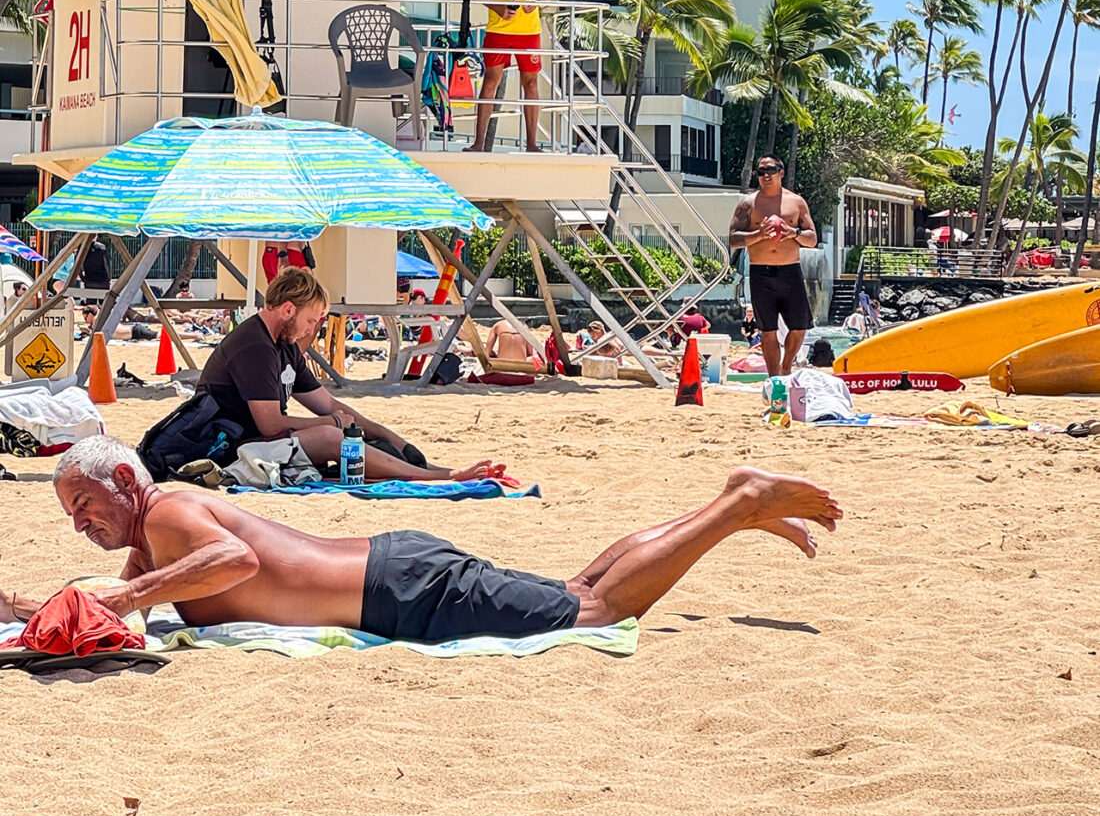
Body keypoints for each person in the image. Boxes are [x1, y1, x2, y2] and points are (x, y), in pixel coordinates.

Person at [8, 437, 842, 642]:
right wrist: (21, 608)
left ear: (123, 481)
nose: (82, 523)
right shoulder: (155, 535)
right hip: (397, 571)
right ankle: (727, 507)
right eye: (71, 516)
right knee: (578, 588)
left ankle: (736, 507)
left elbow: (238, 562)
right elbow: (108, 612)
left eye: (85, 504)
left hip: (402, 591)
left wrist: (124, 593)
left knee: (597, 611)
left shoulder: (164, 514)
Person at [189, 267, 497, 480]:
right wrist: (330, 423)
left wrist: (386, 434)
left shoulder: (283, 346)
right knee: (329, 436)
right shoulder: (254, 346)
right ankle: (435, 477)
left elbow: (330, 405)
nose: (312, 331)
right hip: (226, 447)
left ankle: (425, 468)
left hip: (255, 442)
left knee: (341, 433)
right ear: (287, 310)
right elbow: (270, 424)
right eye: (310, 321)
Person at [467, 0, 556, 154]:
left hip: (528, 31)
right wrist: (497, 9)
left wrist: (537, 1)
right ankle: (478, 143)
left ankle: (531, 144)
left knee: (531, 83)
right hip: (498, 29)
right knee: (490, 81)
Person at [729, 157, 817, 375]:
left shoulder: (796, 202)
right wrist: (758, 234)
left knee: (800, 326)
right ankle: (773, 377)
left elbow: (812, 238)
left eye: (770, 170)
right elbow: (733, 239)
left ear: (781, 172)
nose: (765, 175)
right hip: (761, 272)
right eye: (761, 171)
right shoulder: (748, 204)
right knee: (768, 330)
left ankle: (786, 366)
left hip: (790, 270)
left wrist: (792, 233)